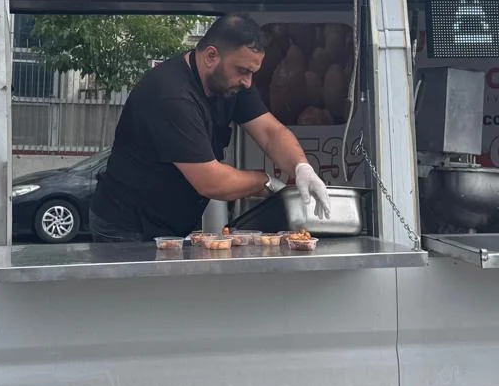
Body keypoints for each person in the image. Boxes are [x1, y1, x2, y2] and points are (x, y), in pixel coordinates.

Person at [88, 14, 333, 243]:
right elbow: (212, 182)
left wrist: (302, 168)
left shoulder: (231, 84)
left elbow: (271, 132)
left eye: (252, 72)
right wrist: (267, 182)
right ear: (211, 56)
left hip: (173, 223)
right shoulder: (171, 95)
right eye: (243, 71)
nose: (248, 82)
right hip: (125, 226)